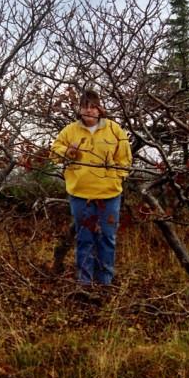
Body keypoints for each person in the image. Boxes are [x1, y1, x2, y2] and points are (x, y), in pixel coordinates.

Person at [51, 89, 132, 287]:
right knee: (85, 238)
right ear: (79, 110)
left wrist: (116, 178)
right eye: (85, 107)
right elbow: (54, 151)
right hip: (80, 194)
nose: (89, 111)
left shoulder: (114, 130)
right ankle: (84, 283)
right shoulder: (70, 130)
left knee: (107, 237)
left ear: (99, 109)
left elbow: (125, 159)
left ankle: (105, 282)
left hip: (109, 195)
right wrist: (69, 152)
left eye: (93, 106)